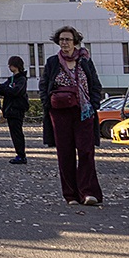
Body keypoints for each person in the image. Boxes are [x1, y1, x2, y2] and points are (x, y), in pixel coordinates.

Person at [40, 26, 106, 204]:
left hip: (84, 112)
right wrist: (47, 104)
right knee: (65, 153)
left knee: (86, 151)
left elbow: (95, 84)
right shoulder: (53, 62)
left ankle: (88, 192)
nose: (64, 43)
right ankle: (70, 195)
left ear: (75, 41)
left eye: (68, 39)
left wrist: (93, 105)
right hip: (59, 112)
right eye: (61, 39)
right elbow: (44, 84)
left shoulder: (85, 61)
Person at [0, 55, 30, 163]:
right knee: (14, 132)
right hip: (9, 109)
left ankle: (21, 155)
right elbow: (3, 90)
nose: (9, 67)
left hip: (17, 108)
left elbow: (15, 92)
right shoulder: (10, 79)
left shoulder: (21, 79)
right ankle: (19, 153)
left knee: (17, 132)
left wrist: (3, 88)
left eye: (11, 64)